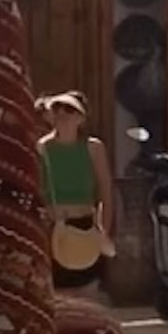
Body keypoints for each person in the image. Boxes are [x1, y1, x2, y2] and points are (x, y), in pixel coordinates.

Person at [38, 92, 114, 291]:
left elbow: (106, 193)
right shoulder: (42, 148)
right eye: (57, 108)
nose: (62, 113)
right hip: (54, 229)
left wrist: (104, 231)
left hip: (85, 227)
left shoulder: (93, 148)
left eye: (69, 109)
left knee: (88, 291)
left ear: (81, 117)